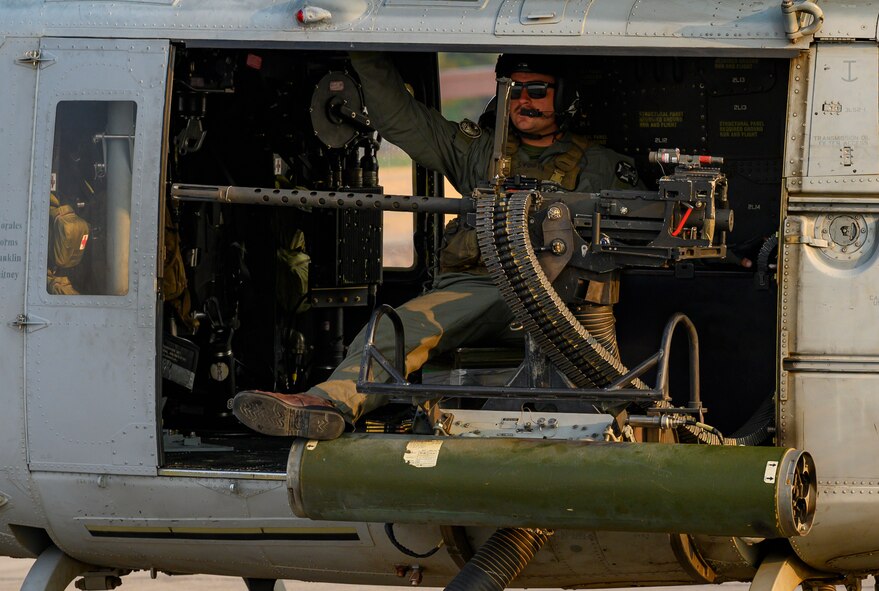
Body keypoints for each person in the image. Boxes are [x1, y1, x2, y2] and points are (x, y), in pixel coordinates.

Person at [231, 52, 641, 440]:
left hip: (553, 295)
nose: (522, 101)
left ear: (565, 97)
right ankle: (329, 406)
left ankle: (329, 402)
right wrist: (363, 51)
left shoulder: (602, 166)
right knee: (396, 329)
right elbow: (401, 118)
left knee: (408, 328)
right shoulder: (482, 152)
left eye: (536, 90)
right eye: (513, 91)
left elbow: (641, 232)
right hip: (478, 287)